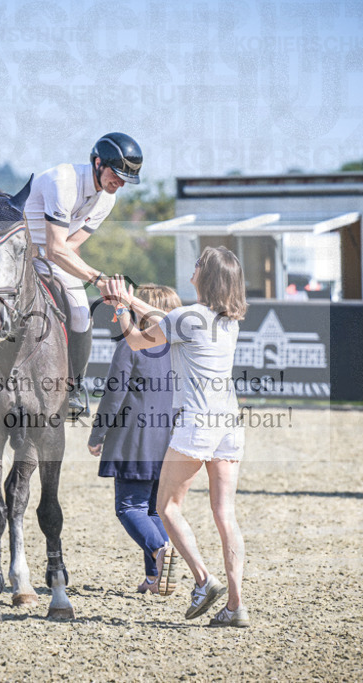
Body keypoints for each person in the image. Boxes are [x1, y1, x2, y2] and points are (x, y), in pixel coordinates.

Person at [0, 133, 143, 418]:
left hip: (51, 258)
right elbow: (56, 247)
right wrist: (100, 280)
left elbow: (69, 247)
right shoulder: (63, 181)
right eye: (117, 174)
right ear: (98, 162)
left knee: (80, 312)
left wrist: (80, 272)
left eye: (127, 179)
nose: (121, 183)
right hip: (8, 251)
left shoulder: (106, 200)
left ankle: (74, 388)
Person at [102, 246, 249, 627]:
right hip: (230, 424)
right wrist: (129, 298)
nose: (194, 268)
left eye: (199, 264)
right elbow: (169, 319)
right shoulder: (228, 321)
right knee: (225, 515)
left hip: (197, 422)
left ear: (208, 275)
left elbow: (136, 340)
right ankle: (235, 606)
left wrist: (121, 309)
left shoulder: (187, 317)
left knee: (167, 508)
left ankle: (203, 579)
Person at [88, 284, 181, 596]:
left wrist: (97, 433)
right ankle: (155, 578)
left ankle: (160, 549)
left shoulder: (132, 346)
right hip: (169, 441)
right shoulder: (180, 349)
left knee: (129, 507)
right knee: (154, 509)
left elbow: (114, 394)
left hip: (135, 440)